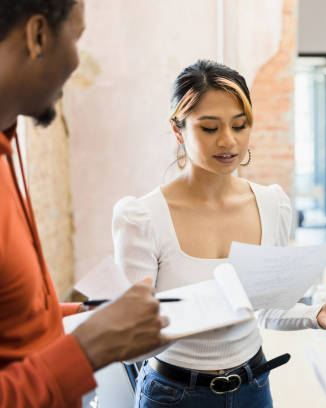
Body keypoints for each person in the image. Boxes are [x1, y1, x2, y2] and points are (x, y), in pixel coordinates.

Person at [112, 60, 326, 408]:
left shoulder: (272, 204)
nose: (228, 141)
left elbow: (265, 310)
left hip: (252, 388)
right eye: (209, 128)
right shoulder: (141, 217)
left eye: (240, 125)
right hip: (174, 394)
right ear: (178, 130)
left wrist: (315, 315)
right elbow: (130, 342)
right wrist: (203, 309)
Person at [0, 1, 171, 407]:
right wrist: (88, 349)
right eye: (77, 37)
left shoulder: (8, 145)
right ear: (38, 35)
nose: (78, 62)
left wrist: (87, 313)